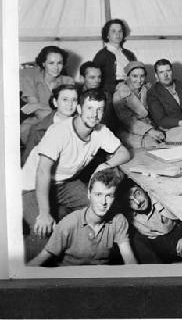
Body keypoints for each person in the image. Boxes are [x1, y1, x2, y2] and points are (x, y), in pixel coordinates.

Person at [22, 89, 131, 238]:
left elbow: (124, 153)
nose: (94, 114)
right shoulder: (60, 131)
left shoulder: (101, 131)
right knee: (45, 233)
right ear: (79, 109)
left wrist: (106, 165)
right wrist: (44, 214)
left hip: (64, 183)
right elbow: (42, 171)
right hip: (33, 185)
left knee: (99, 207)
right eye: (89, 108)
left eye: (99, 109)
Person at [28, 168, 137, 266]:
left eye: (109, 196)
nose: (103, 202)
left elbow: (129, 259)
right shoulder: (69, 224)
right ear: (89, 194)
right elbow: (41, 259)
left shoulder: (119, 221)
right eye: (98, 194)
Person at [127, 184, 182, 264]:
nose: (138, 202)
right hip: (166, 253)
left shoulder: (161, 197)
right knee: (138, 239)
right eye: (130, 200)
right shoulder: (132, 219)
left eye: (138, 193)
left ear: (143, 189)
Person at [20, 46, 75, 144]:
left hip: (62, 122)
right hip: (37, 122)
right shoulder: (30, 79)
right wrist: (56, 110)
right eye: (51, 63)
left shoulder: (68, 81)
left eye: (59, 63)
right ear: (43, 63)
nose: (56, 67)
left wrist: (38, 105)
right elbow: (38, 112)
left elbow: (68, 111)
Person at [21, 84, 78, 166]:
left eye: (74, 100)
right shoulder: (38, 130)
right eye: (65, 99)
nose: (70, 104)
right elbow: (27, 162)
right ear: (55, 102)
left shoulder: (82, 125)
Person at [113, 61, 165, 149]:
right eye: (135, 76)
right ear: (127, 76)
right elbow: (128, 121)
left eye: (142, 76)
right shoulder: (119, 94)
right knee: (153, 145)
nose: (139, 80)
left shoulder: (148, 89)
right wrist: (149, 130)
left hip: (151, 126)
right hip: (129, 131)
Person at [147, 59, 182, 141]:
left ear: (172, 72)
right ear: (156, 75)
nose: (166, 75)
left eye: (168, 71)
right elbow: (160, 119)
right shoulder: (152, 93)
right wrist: (180, 123)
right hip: (171, 131)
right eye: (161, 72)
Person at [93, 18, 137, 95]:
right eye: (113, 31)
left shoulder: (129, 54)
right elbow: (95, 81)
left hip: (131, 88)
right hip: (112, 92)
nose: (117, 34)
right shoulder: (101, 55)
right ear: (107, 35)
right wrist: (115, 87)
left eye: (120, 31)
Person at [78, 61, 115, 129]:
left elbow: (106, 121)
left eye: (99, 77)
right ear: (82, 79)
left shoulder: (106, 96)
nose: (97, 81)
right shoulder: (75, 94)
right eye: (92, 77)